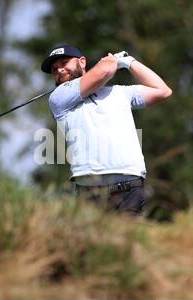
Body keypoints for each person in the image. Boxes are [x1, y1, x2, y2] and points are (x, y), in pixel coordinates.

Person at [40, 44, 172, 216]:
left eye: (64, 63)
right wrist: (114, 60)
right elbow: (105, 71)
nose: (59, 70)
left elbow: (162, 91)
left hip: (129, 185)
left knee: (127, 241)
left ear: (82, 62)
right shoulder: (58, 98)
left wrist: (128, 61)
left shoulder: (119, 93)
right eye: (54, 69)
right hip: (89, 189)